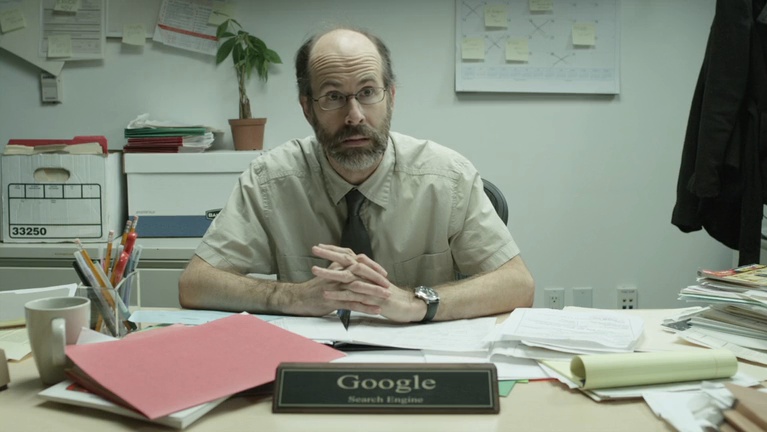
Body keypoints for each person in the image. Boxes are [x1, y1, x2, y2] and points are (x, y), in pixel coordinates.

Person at [178, 26, 534, 323]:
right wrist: (294, 297)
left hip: (420, 363)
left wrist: (415, 301)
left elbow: (518, 284)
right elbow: (196, 284)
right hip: (307, 362)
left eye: (367, 93)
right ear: (307, 108)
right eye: (333, 96)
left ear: (390, 97)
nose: (354, 116)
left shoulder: (448, 178)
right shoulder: (270, 181)